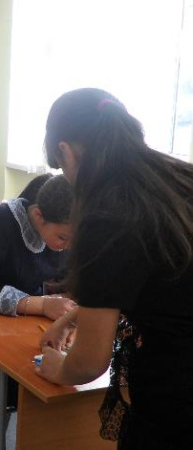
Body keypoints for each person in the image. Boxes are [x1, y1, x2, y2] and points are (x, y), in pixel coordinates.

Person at [35, 88, 193, 448]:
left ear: (65, 151)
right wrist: (71, 318)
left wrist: (58, 367)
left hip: (177, 396)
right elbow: (161, 279)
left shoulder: (107, 212)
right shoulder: (175, 178)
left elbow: (89, 363)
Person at [0, 174, 76, 407]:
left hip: (33, 328)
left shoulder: (65, 232)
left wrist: (71, 318)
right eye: (63, 238)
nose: (68, 246)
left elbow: (70, 281)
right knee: (40, 388)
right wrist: (43, 304)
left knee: (68, 388)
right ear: (38, 216)